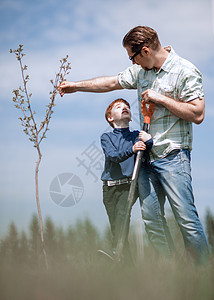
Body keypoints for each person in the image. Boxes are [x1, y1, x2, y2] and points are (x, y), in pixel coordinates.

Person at [58, 25, 209, 262]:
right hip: (146, 159)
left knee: (185, 218)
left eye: (132, 57)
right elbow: (110, 82)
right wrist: (76, 86)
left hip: (173, 156)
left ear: (145, 51)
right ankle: (171, 276)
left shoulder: (185, 70)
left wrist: (160, 98)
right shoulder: (142, 72)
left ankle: (203, 274)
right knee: (152, 220)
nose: (133, 63)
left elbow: (197, 113)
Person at [100, 98, 153, 261]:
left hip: (128, 186)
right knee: (116, 225)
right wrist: (132, 149)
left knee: (123, 217)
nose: (124, 108)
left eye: (127, 107)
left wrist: (149, 141)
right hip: (109, 188)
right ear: (110, 117)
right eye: (118, 107)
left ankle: (117, 254)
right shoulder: (106, 137)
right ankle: (125, 262)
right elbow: (113, 156)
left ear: (130, 116)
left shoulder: (137, 135)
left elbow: (146, 150)